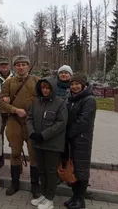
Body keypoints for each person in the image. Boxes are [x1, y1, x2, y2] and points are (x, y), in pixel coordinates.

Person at [0, 55, 41, 197]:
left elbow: (43, 99)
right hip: (14, 121)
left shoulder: (37, 81)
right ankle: (14, 183)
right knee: (15, 153)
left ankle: (35, 185)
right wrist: (15, 110)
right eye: (18, 65)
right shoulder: (8, 83)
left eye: (23, 64)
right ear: (14, 67)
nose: (21, 67)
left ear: (28, 66)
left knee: (34, 154)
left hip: (32, 123)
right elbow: (1, 103)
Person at [27, 78, 67, 209]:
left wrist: (44, 135)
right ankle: (44, 194)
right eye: (43, 88)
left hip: (52, 144)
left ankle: (50, 199)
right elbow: (29, 118)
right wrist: (32, 132)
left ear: (52, 89)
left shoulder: (60, 103)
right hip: (38, 143)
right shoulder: (36, 102)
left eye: (48, 88)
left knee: (50, 172)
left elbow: (61, 123)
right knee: (42, 170)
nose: (45, 90)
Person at [64, 74, 96, 209]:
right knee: (73, 168)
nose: (74, 86)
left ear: (83, 85)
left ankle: (80, 199)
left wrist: (68, 133)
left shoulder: (89, 99)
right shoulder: (70, 98)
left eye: (77, 84)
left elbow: (84, 121)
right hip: (71, 139)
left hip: (82, 139)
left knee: (81, 168)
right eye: (72, 84)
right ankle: (74, 196)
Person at [0, 56, 14, 169]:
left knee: (14, 137)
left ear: (9, 66)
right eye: (2, 65)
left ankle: (15, 159)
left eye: (6, 65)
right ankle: (1, 158)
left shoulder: (15, 77)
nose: (4, 67)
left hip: (12, 111)